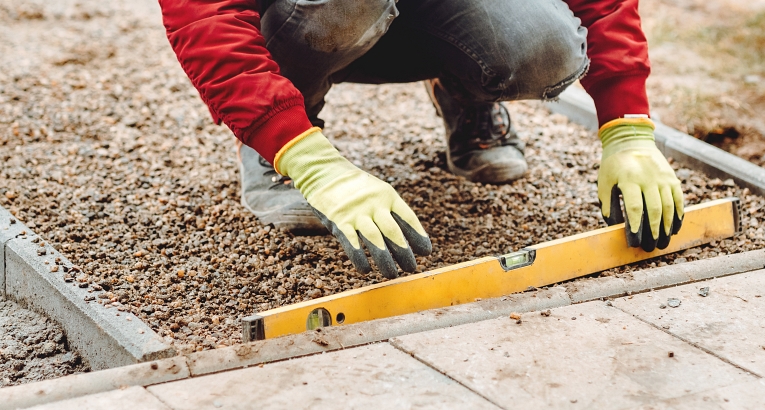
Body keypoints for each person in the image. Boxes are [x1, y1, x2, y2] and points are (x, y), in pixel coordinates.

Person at [158, 0, 684, 279]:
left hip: (428, 13)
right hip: (306, 18)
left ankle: (467, 89)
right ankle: (276, 148)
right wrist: (303, 153)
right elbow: (203, 16)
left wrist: (628, 125)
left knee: (546, 44)